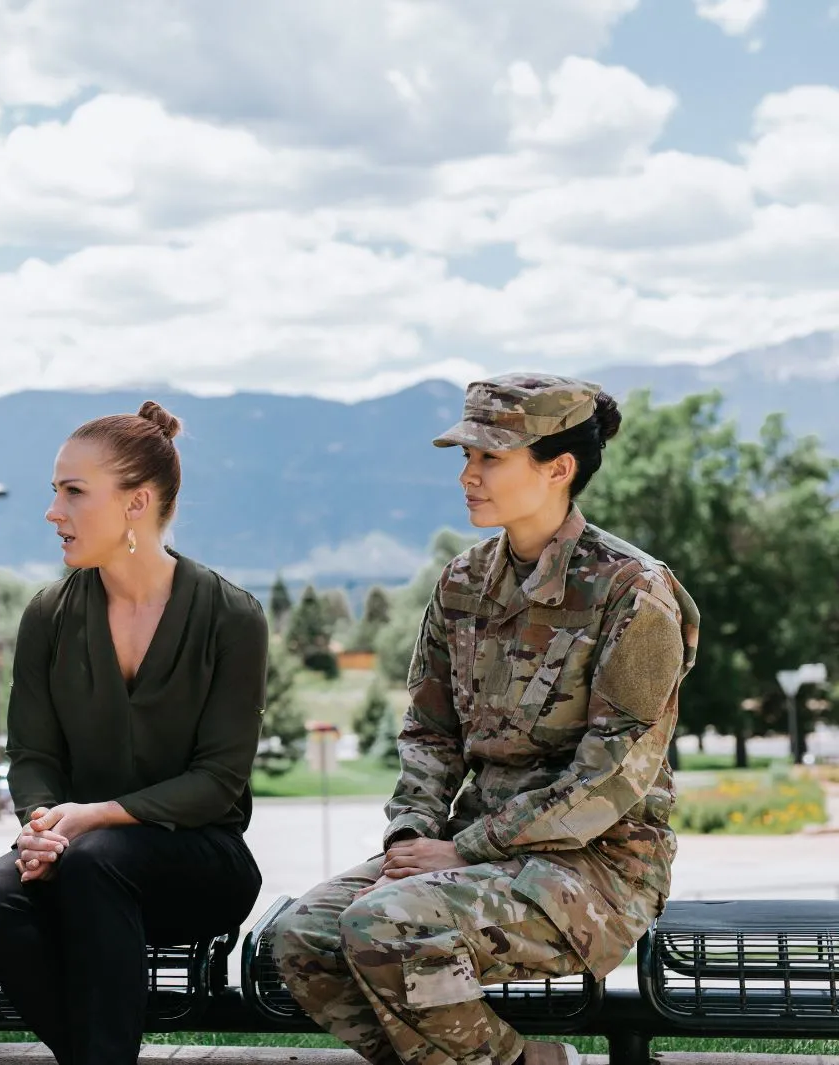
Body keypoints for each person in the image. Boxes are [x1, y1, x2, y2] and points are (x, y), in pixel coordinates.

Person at [268, 374, 699, 1065]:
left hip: (596, 866)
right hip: (469, 852)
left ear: (558, 468)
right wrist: (411, 837)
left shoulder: (632, 591)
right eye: (465, 457)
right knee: (302, 937)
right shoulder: (463, 583)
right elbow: (429, 731)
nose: (467, 475)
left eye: (489, 458)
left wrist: (464, 851)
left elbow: (609, 777)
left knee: (386, 928)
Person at [0, 401, 268, 1065]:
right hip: (76, 857)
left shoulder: (231, 616)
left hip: (199, 863)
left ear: (138, 503)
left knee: (98, 862)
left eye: (73, 492)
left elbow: (218, 783)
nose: (53, 512)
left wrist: (91, 819)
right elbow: (33, 754)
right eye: (55, 492)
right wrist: (43, 823)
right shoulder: (48, 615)